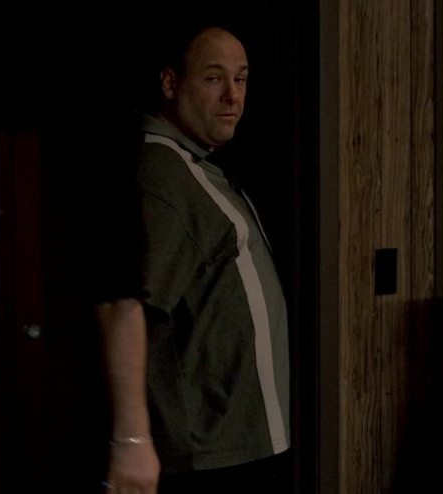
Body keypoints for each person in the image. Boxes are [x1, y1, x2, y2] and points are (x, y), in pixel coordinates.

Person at [93, 22, 290, 494]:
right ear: (170, 83)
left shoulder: (192, 164)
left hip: (237, 446)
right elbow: (123, 305)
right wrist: (132, 440)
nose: (232, 96)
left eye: (240, 79)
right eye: (213, 78)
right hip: (209, 455)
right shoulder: (163, 174)